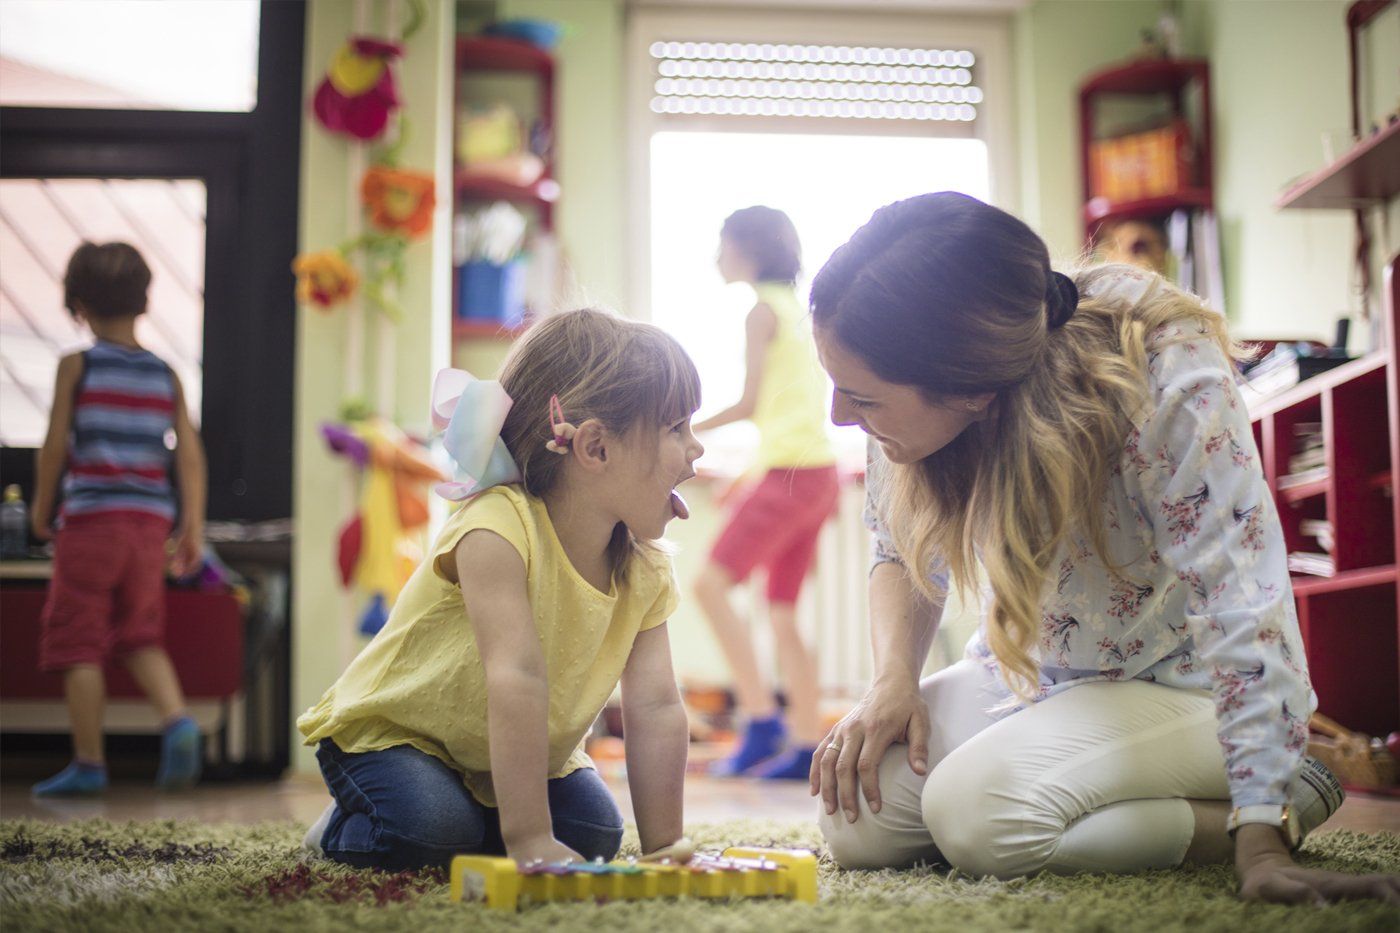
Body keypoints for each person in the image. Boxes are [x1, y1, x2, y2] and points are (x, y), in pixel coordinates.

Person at [809, 193, 1399, 905]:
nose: (839, 416)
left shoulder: (1159, 369)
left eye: (861, 399)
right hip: (1037, 677)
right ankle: (1063, 798)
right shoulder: (906, 367)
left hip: (1187, 694)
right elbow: (897, 546)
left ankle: (1283, 793)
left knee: (978, 818)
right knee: (856, 816)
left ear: (972, 391)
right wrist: (892, 681)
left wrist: (1261, 839)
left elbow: (1241, 596)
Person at [297, 309, 704, 871]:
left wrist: (665, 849)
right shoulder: (496, 527)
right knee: (432, 831)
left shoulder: (645, 569)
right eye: (677, 428)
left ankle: (480, 820)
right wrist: (529, 837)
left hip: (498, 757)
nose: (697, 447)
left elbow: (656, 705)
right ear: (595, 448)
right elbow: (517, 676)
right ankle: (342, 826)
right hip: (397, 737)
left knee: (594, 834)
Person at [30, 242, 206, 797]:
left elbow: (55, 445)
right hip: (150, 527)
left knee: (77, 639)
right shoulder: (165, 374)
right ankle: (177, 720)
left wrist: (41, 508)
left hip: (91, 523)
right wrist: (192, 526)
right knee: (140, 635)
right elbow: (190, 455)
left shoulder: (77, 365)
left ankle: (89, 763)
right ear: (144, 300)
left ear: (77, 303)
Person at [692, 206, 840, 781]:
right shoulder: (796, 311)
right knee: (781, 612)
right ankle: (806, 744)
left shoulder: (760, 313)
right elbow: (789, 412)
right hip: (814, 475)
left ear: (748, 249)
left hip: (793, 476)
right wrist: (748, 475)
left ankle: (760, 722)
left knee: (707, 585)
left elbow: (752, 404)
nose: (718, 256)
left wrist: (676, 428)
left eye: (723, 243)